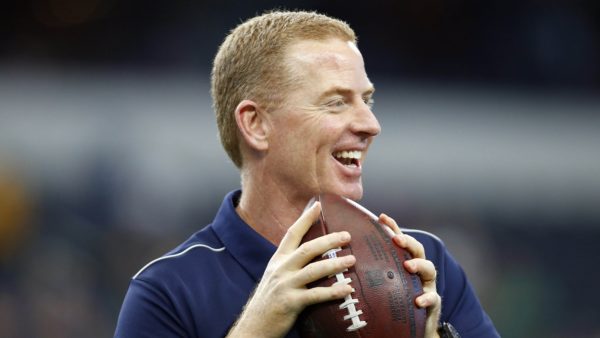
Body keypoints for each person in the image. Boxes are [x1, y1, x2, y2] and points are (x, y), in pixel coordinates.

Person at [115, 10, 499, 338]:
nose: (371, 124)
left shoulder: (425, 266)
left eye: (367, 100)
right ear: (256, 125)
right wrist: (254, 329)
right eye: (336, 102)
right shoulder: (170, 290)